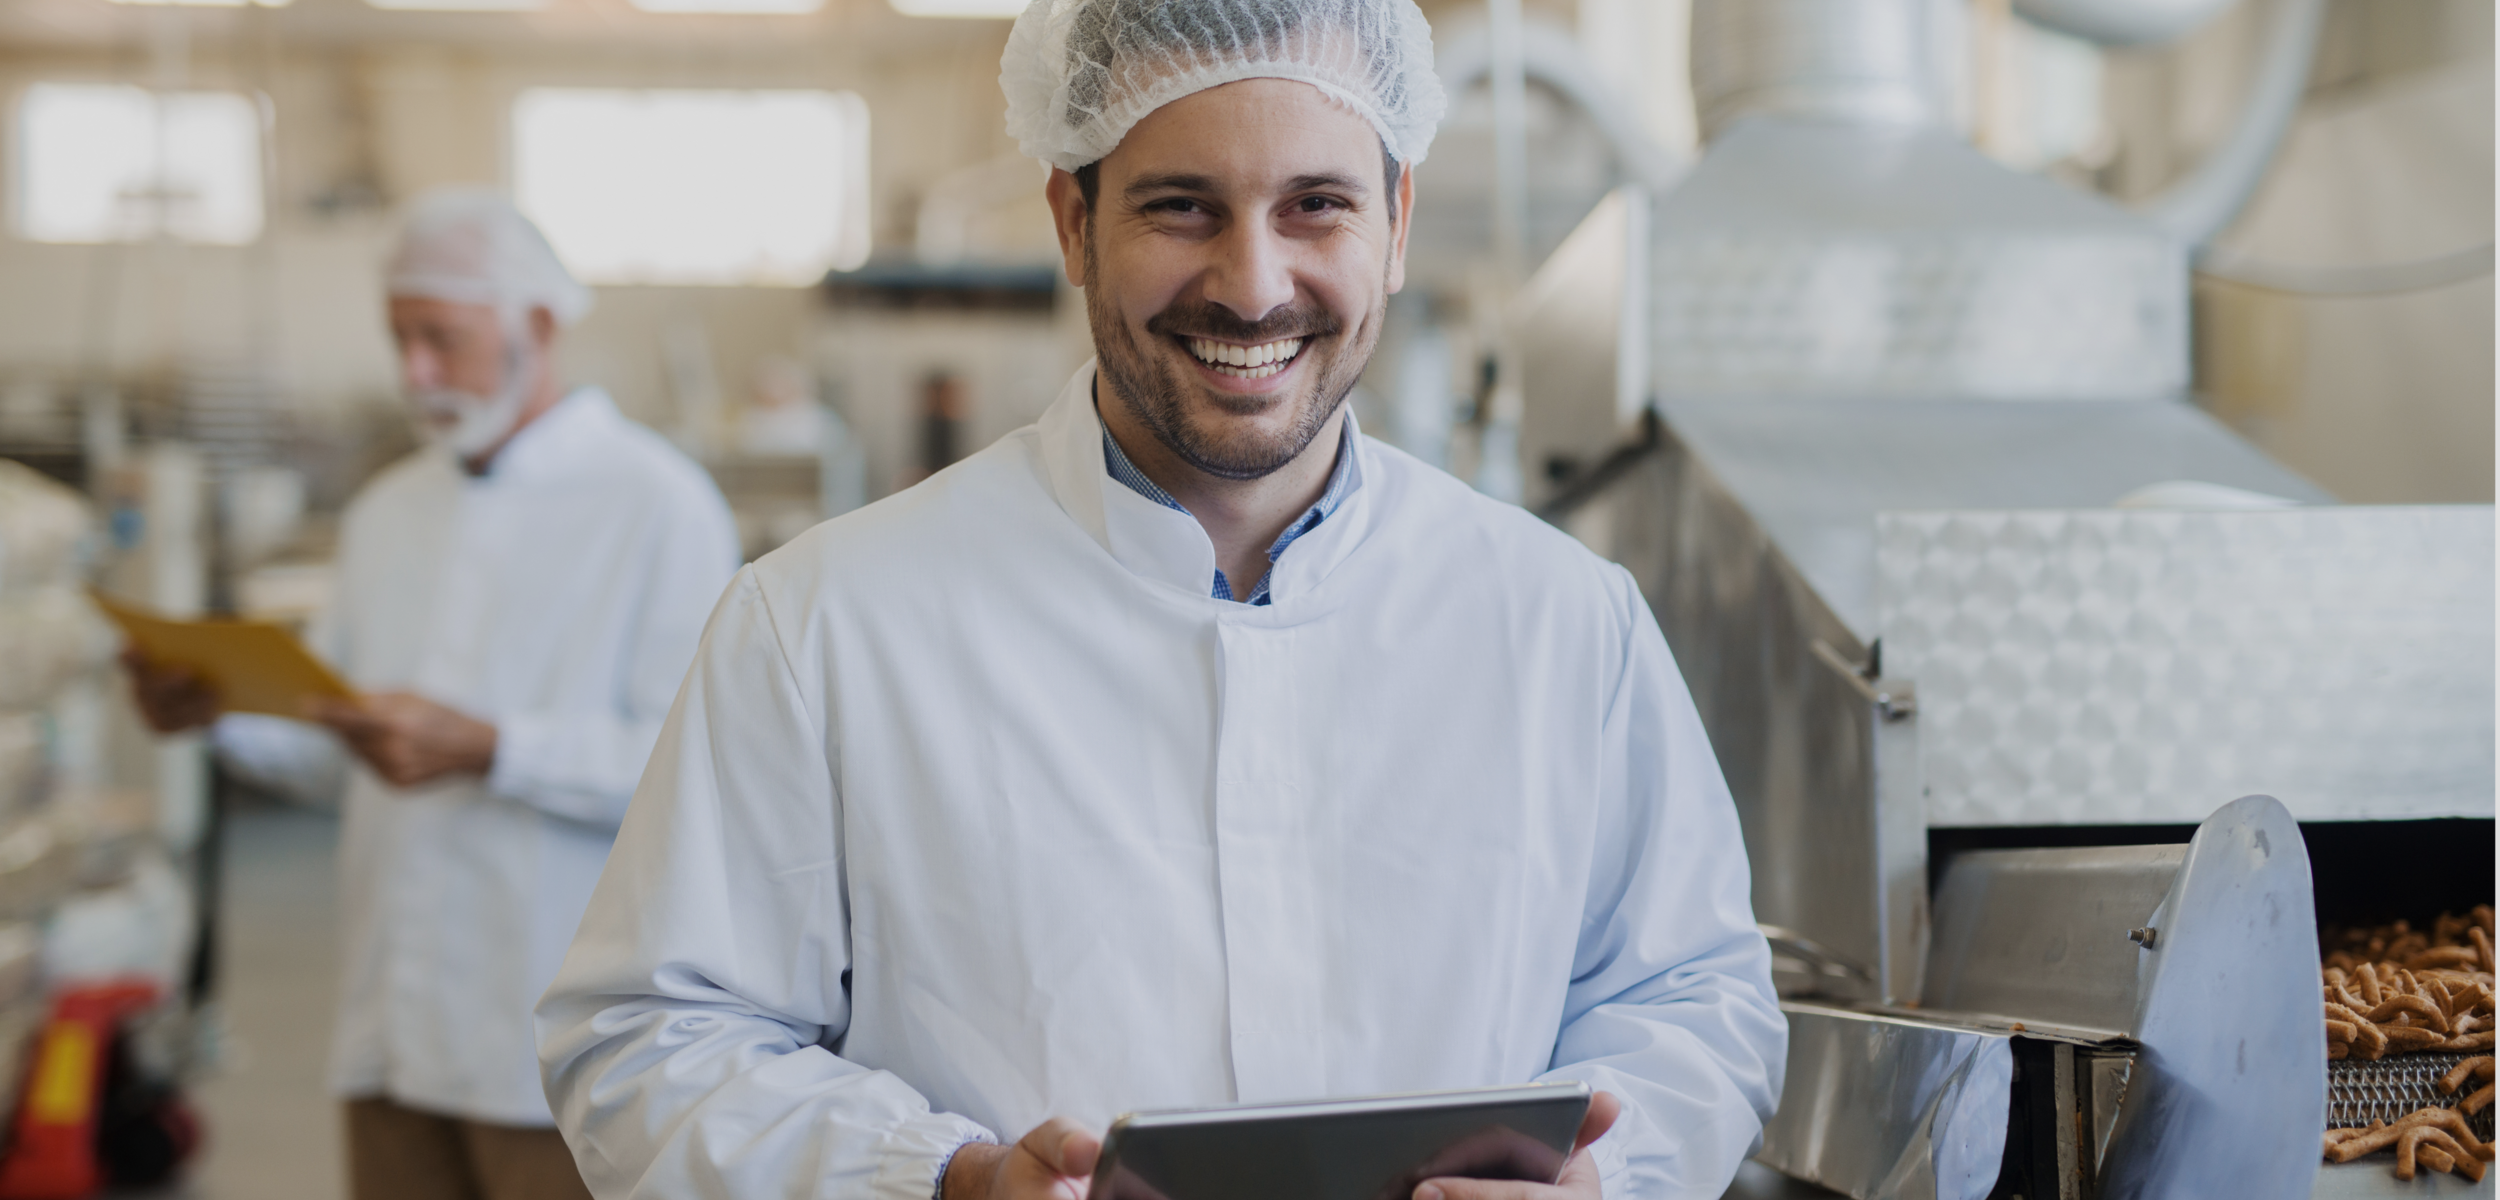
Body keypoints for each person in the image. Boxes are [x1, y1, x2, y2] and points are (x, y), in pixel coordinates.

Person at [536, 1, 1786, 1196]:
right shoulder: (824, 624)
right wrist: (943, 1179)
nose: (1251, 285)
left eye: (1317, 207)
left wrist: (1611, 1175)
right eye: (1181, 207)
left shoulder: (1563, 621)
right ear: (1072, 222)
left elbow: (1694, 996)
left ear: (1396, 223)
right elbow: (652, 1042)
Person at [121, 190, 741, 1200]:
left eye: (439, 340)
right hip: (392, 1028)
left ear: (536, 327)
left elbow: (689, 772)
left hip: (557, 1047)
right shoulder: (389, 511)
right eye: (399, 339)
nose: (414, 372)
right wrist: (218, 710)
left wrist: (493, 747)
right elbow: (335, 744)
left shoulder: (656, 507)